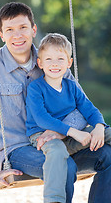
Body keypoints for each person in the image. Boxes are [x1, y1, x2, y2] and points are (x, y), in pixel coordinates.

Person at [0, 2, 111, 203]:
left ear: (33, 30)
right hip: (17, 150)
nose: (17, 35)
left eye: (23, 28)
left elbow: (80, 107)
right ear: (1, 35)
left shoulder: (53, 58)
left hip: (61, 142)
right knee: (64, 166)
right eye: (9, 30)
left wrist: (63, 131)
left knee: (108, 154)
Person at [25, 33, 111, 203]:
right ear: (40, 63)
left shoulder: (72, 86)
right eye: (49, 59)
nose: (55, 64)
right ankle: (55, 200)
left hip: (72, 138)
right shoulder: (36, 88)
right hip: (44, 138)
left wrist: (99, 127)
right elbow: (42, 119)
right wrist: (73, 132)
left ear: (69, 63)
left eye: (60, 59)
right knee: (57, 151)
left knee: (108, 134)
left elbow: (90, 110)